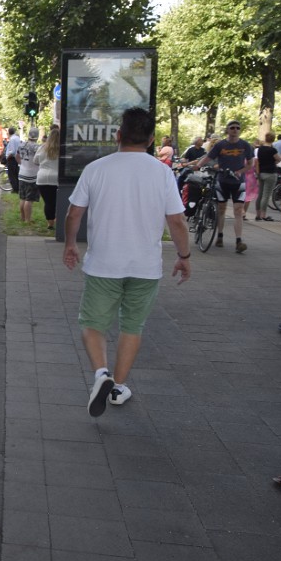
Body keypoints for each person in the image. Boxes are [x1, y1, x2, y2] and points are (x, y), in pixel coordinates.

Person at [63, 107, 190, 418]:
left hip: (104, 263)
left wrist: (69, 245)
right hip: (145, 267)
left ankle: (101, 375)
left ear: (118, 136)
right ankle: (118, 387)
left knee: (93, 324)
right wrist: (184, 257)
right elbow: (176, 221)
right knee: (132, 326)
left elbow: (74, 214)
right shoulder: (161, 172)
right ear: (150, 140)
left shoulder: (96, 169)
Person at [193, 120, 254, 252]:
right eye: (232, 127)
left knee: (238, 210)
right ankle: (219, 236)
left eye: (238, 128)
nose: (235, 130)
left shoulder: (245, 145)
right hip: (222, 181)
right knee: (221, 209)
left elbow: (250, 164)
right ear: (227, 130)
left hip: (239, 182)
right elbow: (208, 158)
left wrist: (240, 172)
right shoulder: (220, 145)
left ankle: (239, 241)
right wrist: (198, 166)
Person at [34, 124, 60, 230]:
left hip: (42, 178)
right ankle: (57, 220)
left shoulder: (42, 147)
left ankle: (50, 223)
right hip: (56, 178)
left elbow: (35, 161)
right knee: (57, 202)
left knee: (48, 202)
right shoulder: (62, 149)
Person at [254, 131, 279, 221]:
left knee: (260, 194)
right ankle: (263, 215)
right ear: (273, 139)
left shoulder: (260, 149)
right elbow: (278, 159)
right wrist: (273, 162)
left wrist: (257, 173)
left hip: (261, 173)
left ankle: (257, 214)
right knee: (266, 195)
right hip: (270, 173)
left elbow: (257, 161)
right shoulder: (273, 150)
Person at [17, 127, 40, 223]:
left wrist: (21, 164)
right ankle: (27, 220)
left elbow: (17, 156)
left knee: (22, 197)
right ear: (37, 136)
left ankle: (22, 218)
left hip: (22, 173)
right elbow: (39, 160)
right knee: (29, 199)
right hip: (32, 175)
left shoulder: (21, 145)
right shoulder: (37, 147)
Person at [3, 127, 22, 193]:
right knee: (16, 174)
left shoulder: (12, 139)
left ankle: (15, 189)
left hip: (12, 158)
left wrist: (8, 157)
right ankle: (17, 188)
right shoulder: (17, 138)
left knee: (11, 175)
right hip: (17, 158)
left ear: (9, 132)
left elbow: (13, 151)